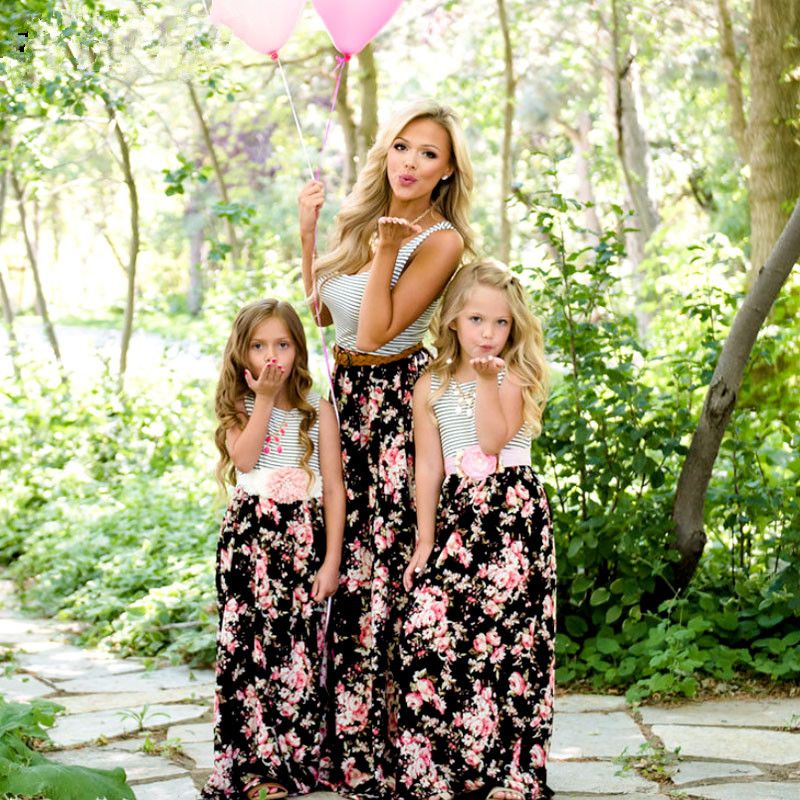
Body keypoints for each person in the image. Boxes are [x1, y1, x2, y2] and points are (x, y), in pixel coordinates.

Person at [297, 100, 475, 798]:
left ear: (448, 169)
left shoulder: (439, 240)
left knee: (390, 568)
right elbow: (324, 314)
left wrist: (384, 254)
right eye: (401, 147)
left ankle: (405, 742)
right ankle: (348, 740)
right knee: (344, 561)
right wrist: (310, 234)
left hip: (400, 409)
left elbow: (375, 335)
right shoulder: (367, 218)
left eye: (428, 153)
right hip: (347, 399)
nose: (409, 162)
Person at [396, 260, 556, 800]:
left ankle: (511, 772)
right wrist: (424, 539)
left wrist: (489, 383)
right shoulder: (431, 384)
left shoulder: (512, 375)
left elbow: (490, 442)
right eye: (477, 320)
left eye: (501, 324)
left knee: (509, 642)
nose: (488, 334)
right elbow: (428, 467)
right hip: (459, 517)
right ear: (453, 322)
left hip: (512, 514)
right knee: (430, 630)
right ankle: (442, 768)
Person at [201, 299, 345, 800]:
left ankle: (298, 762)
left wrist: (332, 560)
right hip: (251, 541)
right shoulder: (236, 409)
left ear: (298, 350)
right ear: (242, 352)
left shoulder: (316, 411)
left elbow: (333, 489)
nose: (271, 357)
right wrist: (261, 399)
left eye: (282, 344)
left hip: (303, 541)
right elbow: (244, 457)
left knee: (300, 651)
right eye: (259, 345)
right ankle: (254, 769)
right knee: (248, 651)